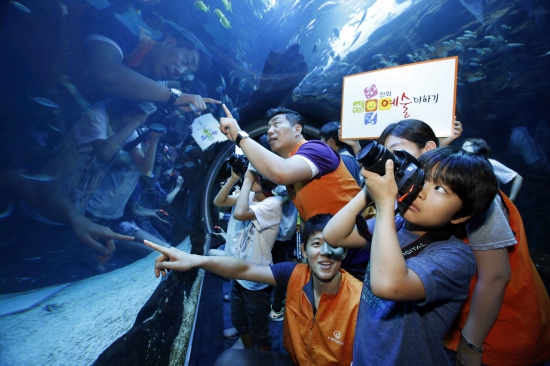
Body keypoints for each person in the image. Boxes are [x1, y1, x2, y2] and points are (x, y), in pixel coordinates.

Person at [363, 119, 550, 365]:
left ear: (429, 149)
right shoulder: (419, 194)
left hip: (500, 327)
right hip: (452, 314)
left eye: (397, 153)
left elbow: (495, 276)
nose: (391, 162)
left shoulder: (478, 196)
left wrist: (472, 342)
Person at [324, 147, 499, 365]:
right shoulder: (397, 224)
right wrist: (368, 192)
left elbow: (388, 285)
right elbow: (334, 236)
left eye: (441, 189)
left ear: (461, 215)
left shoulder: (455, 257)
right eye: (421, 179)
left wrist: (386, 204)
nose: (420, 191)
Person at [143, 214, 362, 366]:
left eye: (333, 245)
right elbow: (244, 268)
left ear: (344, 252)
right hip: (293, 361)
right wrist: (193, 259)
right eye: (317, 244)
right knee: (230, 360)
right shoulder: (295, 274)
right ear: (303, 250)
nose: (325, 253)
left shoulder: (359, 299)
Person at [219, 105, 360, 222]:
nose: (269, 131)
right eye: (268, 127)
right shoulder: (293, 162)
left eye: (276, 124)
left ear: (297, 129)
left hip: (358, 239)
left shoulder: (315, 148)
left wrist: (240, 137)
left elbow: (281, 173)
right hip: (330, 246)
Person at [80, 4, 220, 111]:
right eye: (186, 61)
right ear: (170, 42)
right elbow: (104, 70)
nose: (180, 72)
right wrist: (174, 97)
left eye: (186, 73)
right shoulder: (128, 31)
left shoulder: (147, 83)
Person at [213, 166, 283, 351]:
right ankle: (249, 355)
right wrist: (233, 179)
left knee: (259, 329)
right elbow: (219, 202)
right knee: (239, 320)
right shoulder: (249, 196)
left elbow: (240, 213)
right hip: (237, 270)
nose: (250, 177)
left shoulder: (274, 203)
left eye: (255, 175)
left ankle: (263, 360)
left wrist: (246, 181)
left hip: (255, 278)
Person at [462, 137, 523, 202]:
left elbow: (517, 177)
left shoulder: (490, 163)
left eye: (466, 146)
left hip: (492, 206)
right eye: (462, 146)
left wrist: (511, 200)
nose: (462, 148)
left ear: (479, 147)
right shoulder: (463, 165)